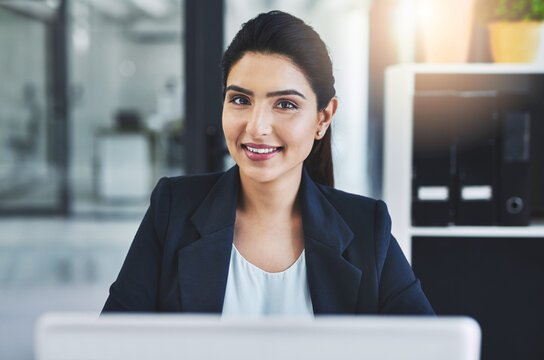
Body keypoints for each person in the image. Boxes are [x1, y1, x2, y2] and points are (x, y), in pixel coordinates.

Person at [102, 10, 434, 315]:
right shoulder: (173, 210)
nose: (257, 127)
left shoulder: (366, 228)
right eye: (240, 100)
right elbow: (110, 343)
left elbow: (431, 347)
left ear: (323, 118)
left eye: (285, 104)